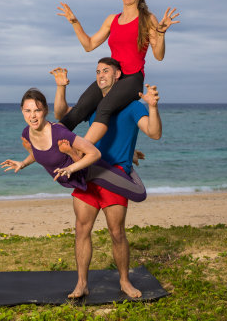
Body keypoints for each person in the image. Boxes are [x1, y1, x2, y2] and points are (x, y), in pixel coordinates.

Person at [51, 57, 162, 299]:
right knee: (82, 229)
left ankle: (124, 281)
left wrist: (152, 107)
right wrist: (61, 88)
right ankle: (81, 284)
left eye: (106, 71)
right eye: (98, 71)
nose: (101, 75)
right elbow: (64, 116)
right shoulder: (95, 103)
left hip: (114, 175)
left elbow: (154, 133)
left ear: (118, 75)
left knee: (116, 232)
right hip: (88, 172)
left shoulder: (133, 106)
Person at [57, 0, 178, 145]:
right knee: (80, 108)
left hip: (132, 77)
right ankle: (49, 143)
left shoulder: (148, 19)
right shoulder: (112, 20)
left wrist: (161, 32)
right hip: (112, 75)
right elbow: (89, 45)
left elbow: (159, 56)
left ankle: (81, 150)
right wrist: (74, 21)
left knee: (104, 107)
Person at [1, 89, 148, 203]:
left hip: (92, 171)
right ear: (22, 111)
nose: (32, 116)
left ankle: (129, 156)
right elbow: (39, 153)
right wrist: (23, 163)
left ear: (45, 110)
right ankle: (127, 153)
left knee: (139, 194)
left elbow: (94, 154)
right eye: (28, 111)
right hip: (77, 177)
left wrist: (70, 168)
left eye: (37, 110)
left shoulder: (59, 133)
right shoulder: (27, 133)